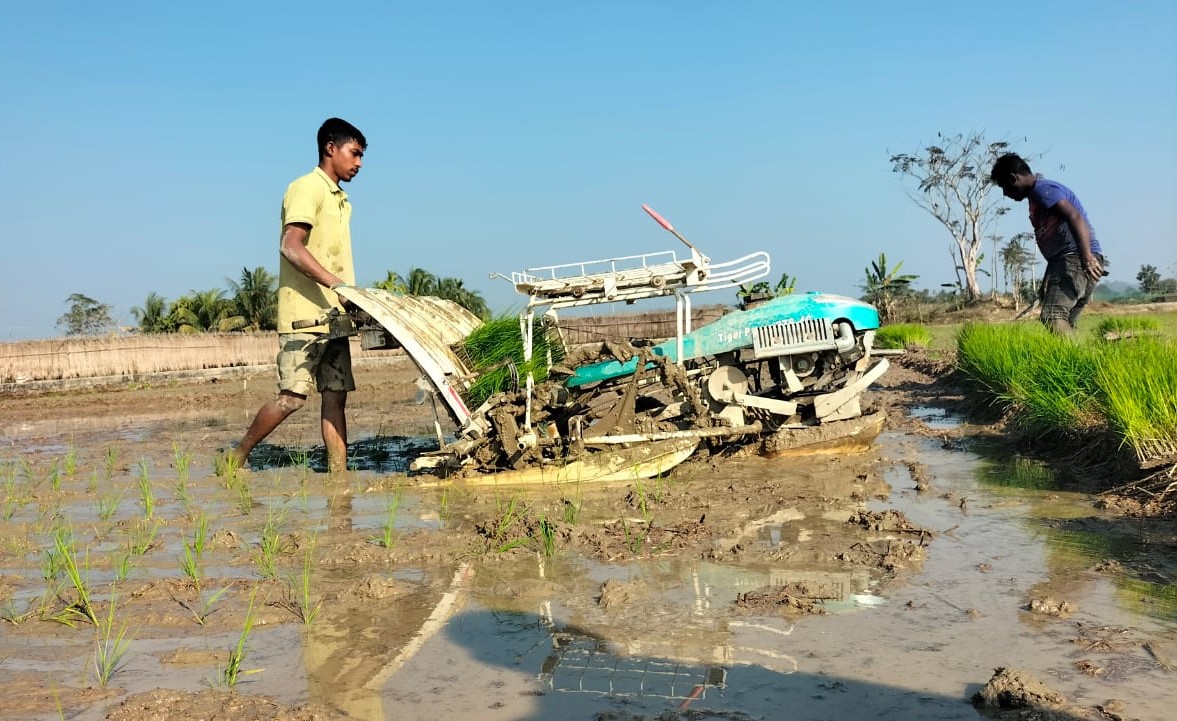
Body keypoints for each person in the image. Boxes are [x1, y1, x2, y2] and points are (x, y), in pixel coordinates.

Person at [225, 117, 367, 474]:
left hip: (334, 318)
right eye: (355, 153)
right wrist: (337, 285)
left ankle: (339, 475)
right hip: (305, 316)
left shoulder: (341, 200)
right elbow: (291, 246)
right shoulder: (307, 188)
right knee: (291, 398)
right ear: (330, 149)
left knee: (336, 399)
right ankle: (236, 456)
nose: (359, 163)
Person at [989, 152, 1106, 334]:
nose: (1005, 194)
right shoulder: (1038, 197)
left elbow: (1075, 216)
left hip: (1076, 258)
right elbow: (1055, 248)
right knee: (1065, 322)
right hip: (1071, 260)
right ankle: (1077, 359)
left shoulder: (1042, 190)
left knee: (1052, 316)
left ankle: (1079, 361)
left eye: (1004, 186)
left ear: (1013, 178)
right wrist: (1048, 277)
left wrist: (1086, 257)